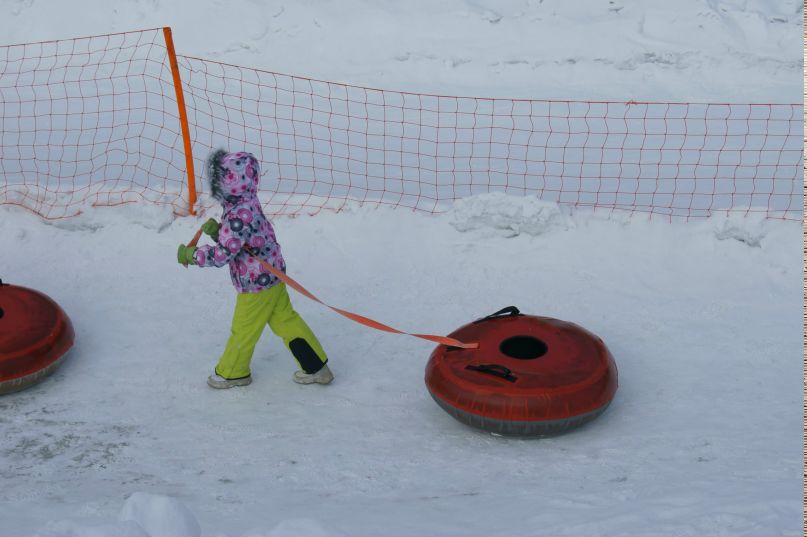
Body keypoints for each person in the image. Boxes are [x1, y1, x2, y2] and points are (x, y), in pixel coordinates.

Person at [177, 149, 333, 388]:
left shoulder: (238, 213)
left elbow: (222, 255)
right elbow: (244, 241)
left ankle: (233, 372)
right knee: (286, 321)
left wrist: (192, 255)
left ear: (229, 183)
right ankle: (316, 366)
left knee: (243, 329)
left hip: (255, 284)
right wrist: (218, 232)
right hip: (272, 275)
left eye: (218, 179)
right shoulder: (247, 202)